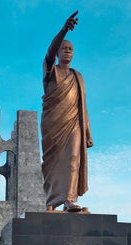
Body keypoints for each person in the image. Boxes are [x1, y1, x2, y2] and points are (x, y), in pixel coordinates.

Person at [41, 11, 93, 212]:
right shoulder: (51, 71)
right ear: (58, 52)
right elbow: (49, 54)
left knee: (73, 158)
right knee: (52, 163)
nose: (68, 51)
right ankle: (52, 201)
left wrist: (87, 131)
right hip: (52, 124)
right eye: (64, 48)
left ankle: (69, 199)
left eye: (71, 49)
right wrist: (63, 30)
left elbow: (82, 105)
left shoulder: (77, 76)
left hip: (74, 124)